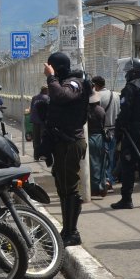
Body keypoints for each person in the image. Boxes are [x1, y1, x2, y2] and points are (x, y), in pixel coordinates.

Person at [43, 51, 92, 246]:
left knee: (69, 188)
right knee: (63, 188)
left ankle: (73, 232)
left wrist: (50, 77)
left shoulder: (74, 83)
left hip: (71, 142)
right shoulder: (65, 82)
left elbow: (61, 95)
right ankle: (67, 230)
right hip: (62, 142)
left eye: (52, 67)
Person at [110, 58, 140, 209]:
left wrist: (118, 131)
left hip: (133, 131)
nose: (126, 76)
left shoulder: (130, 87)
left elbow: (125, 112)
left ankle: (127, 199)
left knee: (128, 165)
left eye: (128, 72)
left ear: (134, 73)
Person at [92, 76, 120, 193]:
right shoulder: (116, 95)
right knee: (112, 158)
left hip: (104, 132)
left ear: (96, 85)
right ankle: (110, 181)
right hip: (115, 130)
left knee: (103, 159)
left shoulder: (97, 96)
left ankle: (106, 182)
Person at [86, 92, 108, 197]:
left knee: (93, 164)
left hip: (89, 137)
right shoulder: (101, 110)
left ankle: (95, 188)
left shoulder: (85, 111)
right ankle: (102, 186)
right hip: (100, 137)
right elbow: (103, 124)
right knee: (102, 162)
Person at [29, 86, 49, 162]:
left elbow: (31, 109)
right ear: (46, 90)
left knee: (36, 139)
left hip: (35, 121)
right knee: (43, 138)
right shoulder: (47, 98)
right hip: (43, 122)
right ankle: (43, 155)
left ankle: (36, 156)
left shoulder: (34, 98)